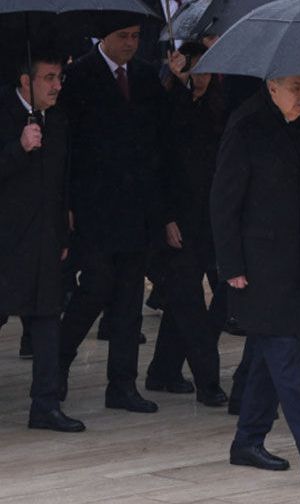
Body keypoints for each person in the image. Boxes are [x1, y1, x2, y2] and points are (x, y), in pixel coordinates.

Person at [211, 74, 300, 482]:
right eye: (295, 88)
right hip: (259, 265)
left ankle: (247, 441)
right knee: (285, 357)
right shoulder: (246, 125)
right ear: (272, 86)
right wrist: (231, 266)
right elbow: (223, 201)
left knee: (266, 358)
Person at [57, 13, 168, 413]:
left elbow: (157, 136)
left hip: (136, 207)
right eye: (123, 36)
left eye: (137, 36)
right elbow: (68, 146)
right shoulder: (81, 76)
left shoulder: (144, 76)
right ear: (104, 37)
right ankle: (55, 369)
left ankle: (122, 385)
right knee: (94, 290)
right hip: (95, 207)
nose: (131, 43)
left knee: (128, 299)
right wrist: (68, 203)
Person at [0, 46, 85, 433]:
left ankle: (45, 405)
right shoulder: (4, 113)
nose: (56, 86)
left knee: (48, 317)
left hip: (46, 235)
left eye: (59, 78)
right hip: (7, 238)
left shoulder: (59, 120)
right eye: (48, 78)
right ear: (25, 82)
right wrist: (19, 147)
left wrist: (63, 229)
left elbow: (62, 181)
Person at [142, 42, 228, 406]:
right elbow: (158, 166)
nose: (201, 76)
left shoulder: (223, 106)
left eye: (207, 68)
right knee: (189, 303)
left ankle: (162, 371)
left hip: (213, 219)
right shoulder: (169, 105)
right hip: (176, 221)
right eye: (194, 68)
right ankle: (209, 382)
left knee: (202, 300)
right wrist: (166, 218)